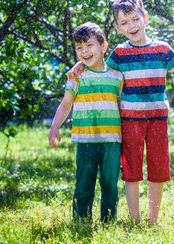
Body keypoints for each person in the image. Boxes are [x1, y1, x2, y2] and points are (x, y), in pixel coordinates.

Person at [68, 0, 174, 224]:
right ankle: (135, 220)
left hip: (158, 119)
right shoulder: (119, 53)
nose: (132, 26)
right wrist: (82, 63)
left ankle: (153, 220)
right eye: (125, 23)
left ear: (145, 18)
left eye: (135, 19)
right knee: (131, 171)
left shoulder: (163, 49)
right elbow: (101, 68)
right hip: (129, 120)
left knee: (157, 169)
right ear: (118, 27)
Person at [49, 22, 123, 223]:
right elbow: (66, 104)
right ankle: (81, 219)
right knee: (83, 183)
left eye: (89, 45)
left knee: (110, 183)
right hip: (85, 140)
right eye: (79, 48)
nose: (84, 51)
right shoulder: (76, 76)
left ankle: (109, 221)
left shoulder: (117, 77)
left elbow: (122, 107)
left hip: (112, 141)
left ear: (103, 46)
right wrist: (55, 126)